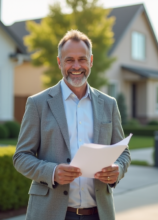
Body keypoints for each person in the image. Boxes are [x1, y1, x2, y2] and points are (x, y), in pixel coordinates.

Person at [13, 30, 131, 220]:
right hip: (50, 212)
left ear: (91, 61)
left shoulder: (109, 104)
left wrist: (118, 168)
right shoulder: (38, 104)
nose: (76, 66)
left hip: (99, 213)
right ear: (60, 62)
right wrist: (52, 172)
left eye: (82, 59)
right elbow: (21, 157)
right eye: (69, 60)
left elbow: (123, 152)